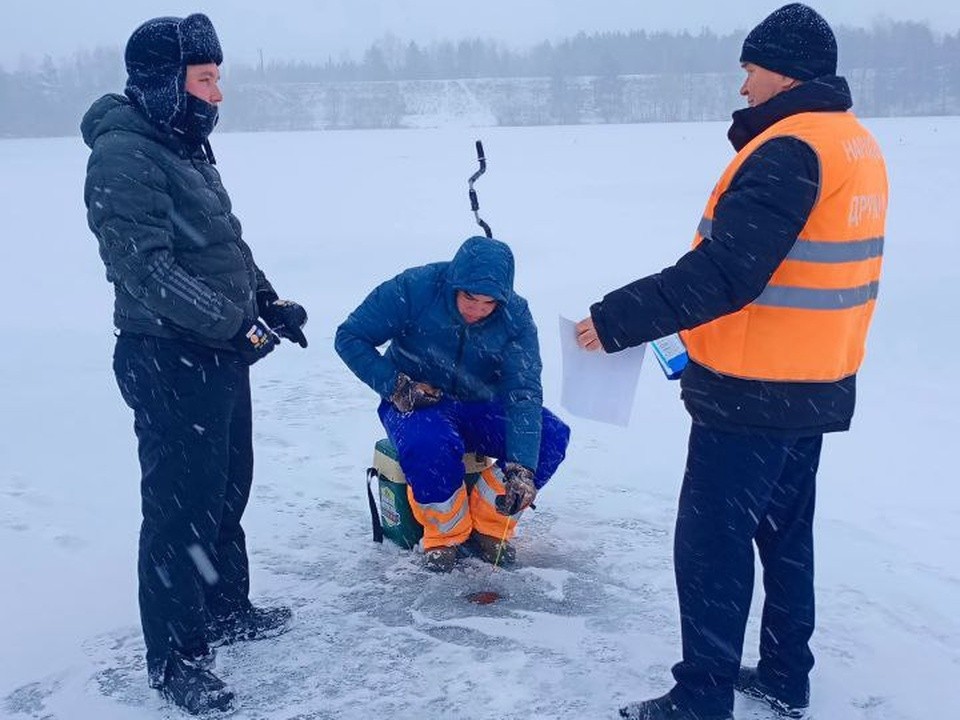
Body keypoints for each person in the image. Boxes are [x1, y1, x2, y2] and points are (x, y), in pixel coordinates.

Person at [575, 5, 887, 719]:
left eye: (749, 69)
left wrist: (616, 319)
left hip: (755, 389)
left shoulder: (789, 150)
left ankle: (701, 697)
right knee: (785, 535)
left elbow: (727, 272)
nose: (742, 85)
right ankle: (784, 673)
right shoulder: (853, 143)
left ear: (783, 71)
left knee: (712, 546)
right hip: (814, 381)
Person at [81, 13, 309, 717]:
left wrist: (266, 302)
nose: (217, 94)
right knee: (179, 511)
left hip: (217, 352)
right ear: (162, 83)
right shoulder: (125, 155)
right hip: (166, 356)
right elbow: (144, 270)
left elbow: (222, 244)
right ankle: (176, 657)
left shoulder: (183, 147)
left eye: (218, 78)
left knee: (225, 486)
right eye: (205, 79)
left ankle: (224, 606)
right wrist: (232, 323)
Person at [336, 236, 570, 572]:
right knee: (430, 443)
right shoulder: (414, 288)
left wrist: (521, 468)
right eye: (469, 297)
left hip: (480, 403)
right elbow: (350, 336)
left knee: (550, 437)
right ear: (453, 285)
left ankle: (490, 525)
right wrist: (397, 387)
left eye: (488, 303)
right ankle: (445, 536)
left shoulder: (515, 317)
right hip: (416, 399)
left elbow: (523, 392)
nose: (476, 309)